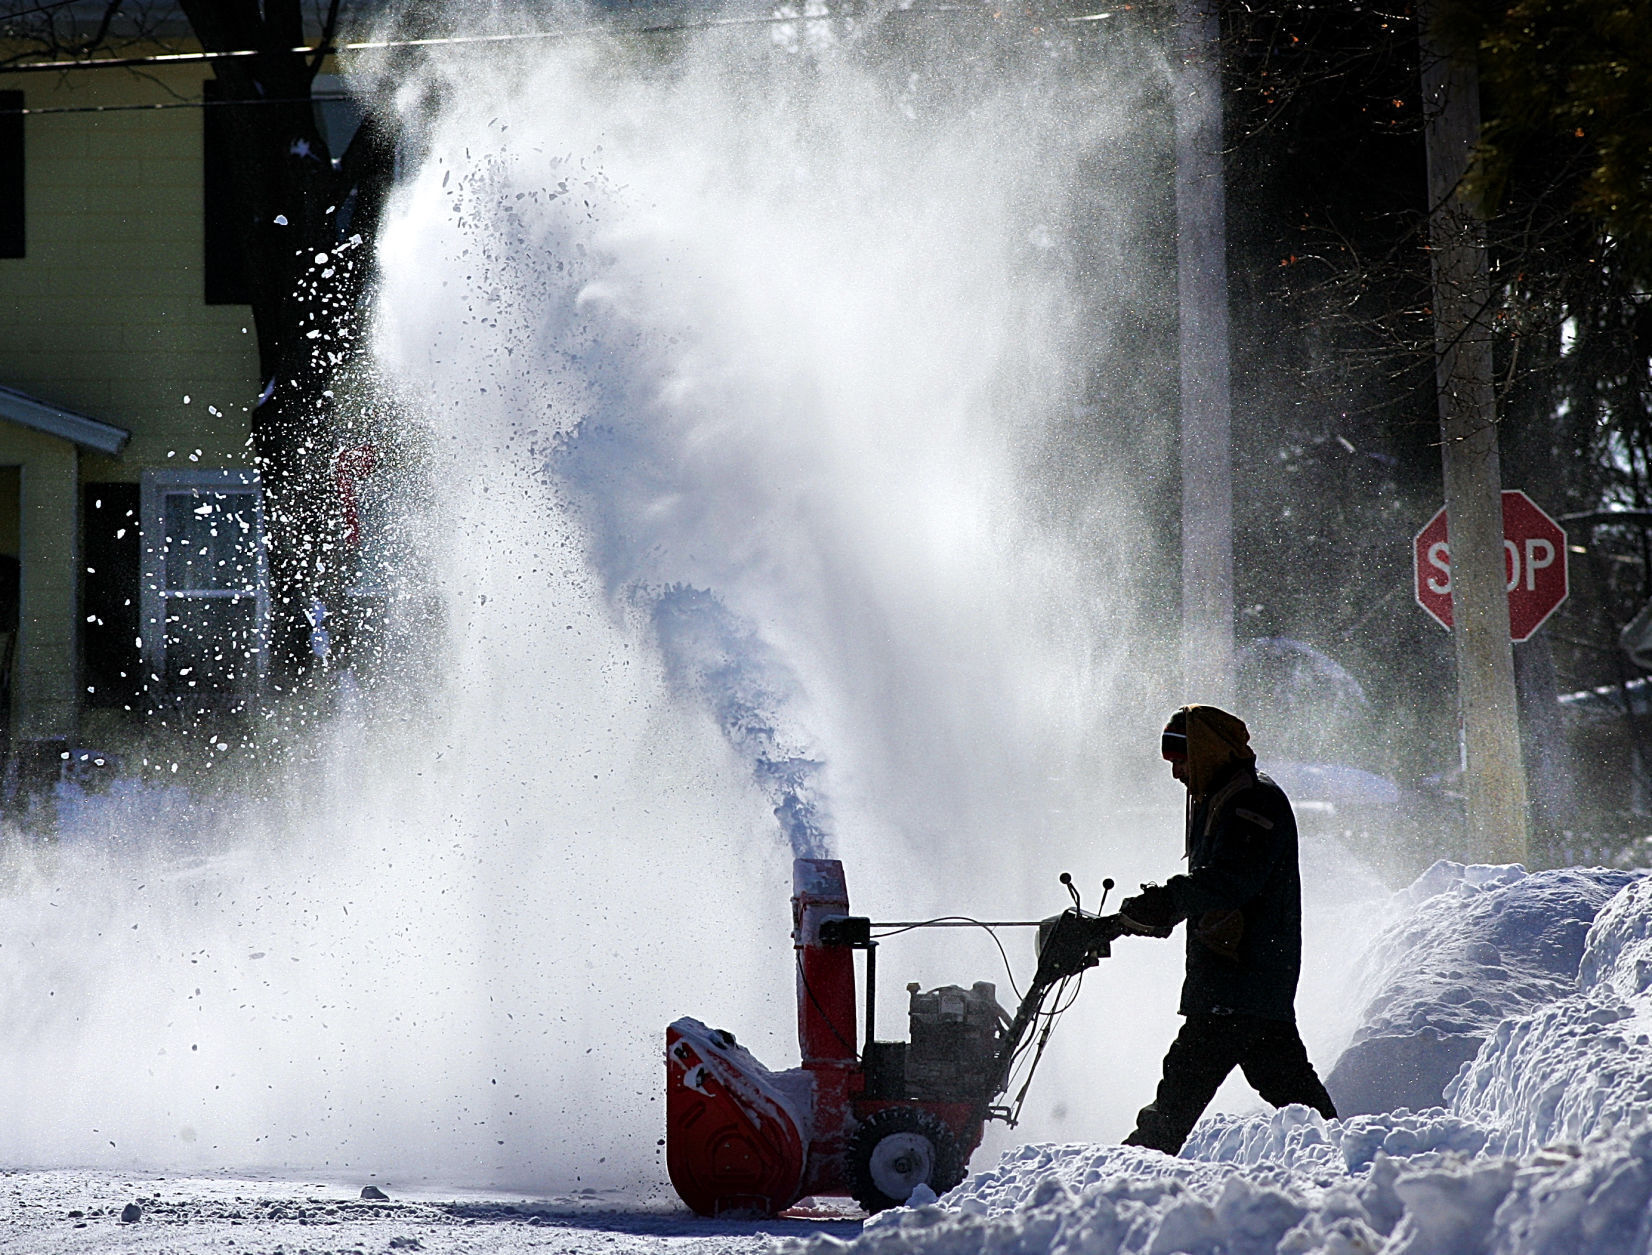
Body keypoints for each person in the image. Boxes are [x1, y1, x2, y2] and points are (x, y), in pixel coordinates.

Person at [1116, 704, 1337, 1154]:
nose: (1176, 772)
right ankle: (1350, 1158)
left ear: (1207, 751)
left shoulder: (1253, 802)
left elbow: (1231, 880)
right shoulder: (1221, 797)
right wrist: (1158, 913)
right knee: (1296, 1096)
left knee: (1176, 1100)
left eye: (1180, 759)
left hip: (1240, 980)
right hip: (1242, 984)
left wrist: (1168, 900)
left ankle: (1127, 1180)